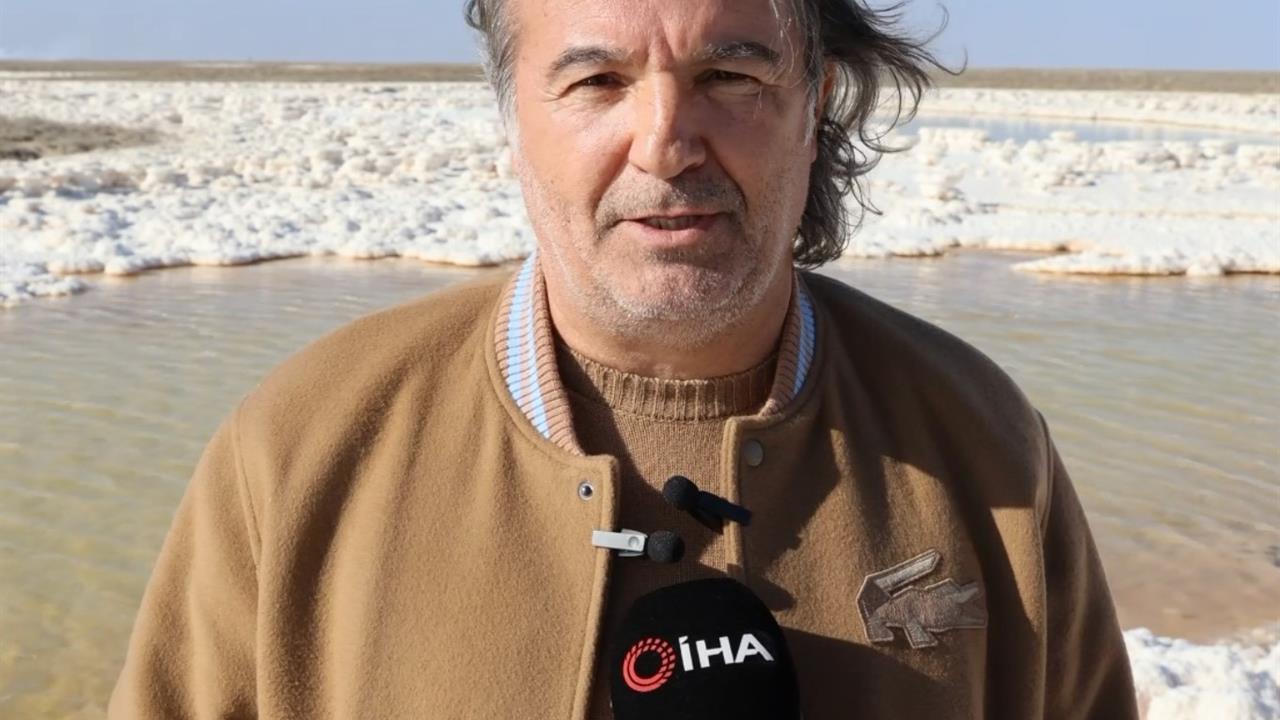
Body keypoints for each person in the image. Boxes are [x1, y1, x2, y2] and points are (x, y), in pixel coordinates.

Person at [109, 0, 1139, 717]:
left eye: (729, 77)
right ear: (513, 119)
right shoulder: (303, 447)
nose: (664, 141)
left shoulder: (979, 444)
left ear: (813, 106)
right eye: (597, 81)